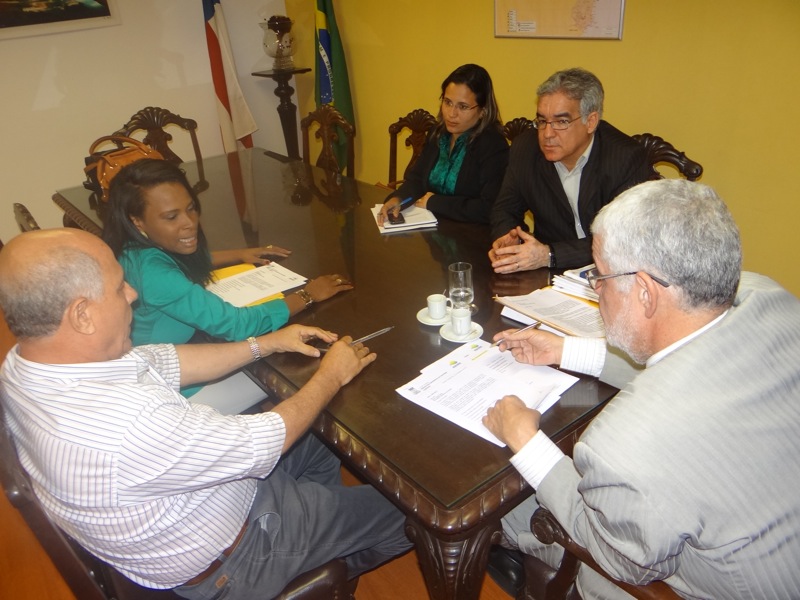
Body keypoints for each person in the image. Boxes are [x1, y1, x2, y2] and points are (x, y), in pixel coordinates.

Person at [0, 228, 412, 599]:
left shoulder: (26, 365)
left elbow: (164, 360)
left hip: (207, 503)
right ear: (82, 315)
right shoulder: (124, 424)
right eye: (118, 286)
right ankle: (323, 572)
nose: (132, 294)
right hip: (236, 558)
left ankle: (321, 531)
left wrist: (266, 343)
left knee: (323, 437)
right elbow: (268, 439)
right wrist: (331, 375)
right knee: (410, 514)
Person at [483, 179, 800, 598]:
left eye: (599, 276)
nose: (596, 288)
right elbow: (692, 368)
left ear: (646, 294)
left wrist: (527, 444)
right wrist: (565, 349)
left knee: (518, 506)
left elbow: (624, 560)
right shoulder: (768, 298)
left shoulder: (622, 445)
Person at [102, 158, 350, 351]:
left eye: (191, 208)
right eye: (171, 217)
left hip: (171, 357)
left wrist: (239, 254)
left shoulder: (130, 249)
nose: (190, 223)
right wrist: (308, 295)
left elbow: (177, 261)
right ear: (137, 221)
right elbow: (238, 325)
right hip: (166, 384)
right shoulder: (155, 274)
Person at [489, 67, 651, 273]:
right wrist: (508, 238)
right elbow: (505, 209)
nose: (547, 133)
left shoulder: (625, 158)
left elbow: (623, 239)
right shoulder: (525, 149)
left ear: (590, 122)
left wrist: (549, 255)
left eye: (561, 122)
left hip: (611, 272)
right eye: (542, 121)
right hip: (550, 274)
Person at [378, 63, 509, 225]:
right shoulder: (438, 133)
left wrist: (435, 202)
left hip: (472, 234)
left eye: (463, 106)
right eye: (447, 102)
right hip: (434, 227)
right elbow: (417, 179)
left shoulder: (493, 145)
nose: (451, 114)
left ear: (483, 110)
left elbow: (490, 208)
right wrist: (398, 198)